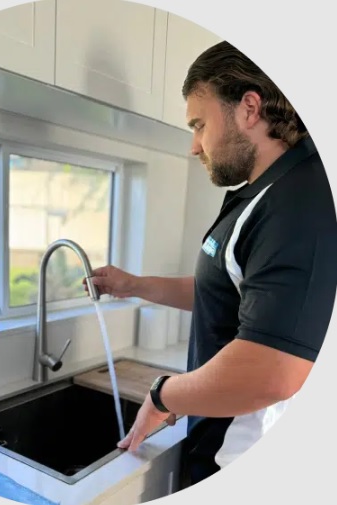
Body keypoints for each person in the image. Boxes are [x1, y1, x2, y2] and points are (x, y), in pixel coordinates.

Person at [84, 40, 337, 487]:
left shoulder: (298, 202)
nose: (194, 146)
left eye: (199, 124)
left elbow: (271, 373)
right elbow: (232, 291)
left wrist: (163, 394)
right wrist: (135, 285)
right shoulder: (265, 192)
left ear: (249, 109)